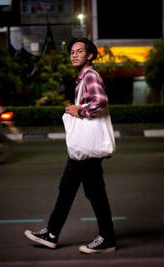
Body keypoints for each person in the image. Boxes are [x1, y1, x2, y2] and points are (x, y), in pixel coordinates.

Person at [24, 38, 116, 254]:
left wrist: (80, 111)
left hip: (86, 148)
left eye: (79, 52)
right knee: (83, 190)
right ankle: (57, 233)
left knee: (81, 190)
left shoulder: (90, 75)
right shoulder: (82, 78)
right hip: (86, 148)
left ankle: (58, 234)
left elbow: (101, 100)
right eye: (72, 52)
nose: (74, 55)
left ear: (90, 55)